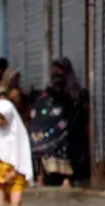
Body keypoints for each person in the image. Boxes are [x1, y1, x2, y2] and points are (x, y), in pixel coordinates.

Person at [29, 59, 82, 187]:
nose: (56, 71)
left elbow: (73, 106)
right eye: (54, 68)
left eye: (59, 68)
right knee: (38, 140)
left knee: (65, 147)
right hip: (46, 126)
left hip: (65, 127)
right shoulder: (50, 88)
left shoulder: (72, 89)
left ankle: (66, 179)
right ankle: (41, 176)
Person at [0, 100, 33, 206]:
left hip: (17, 171)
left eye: (2, 117)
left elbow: (23, 154)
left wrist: (14, 172)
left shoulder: (19, 130)